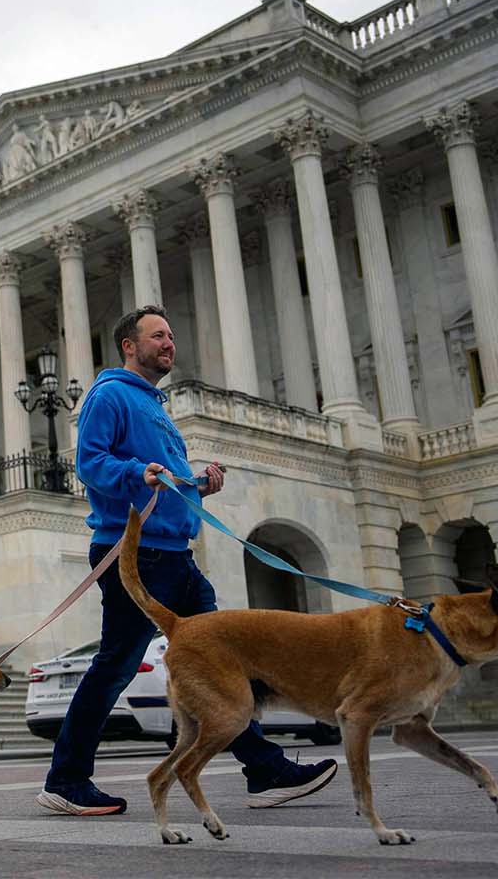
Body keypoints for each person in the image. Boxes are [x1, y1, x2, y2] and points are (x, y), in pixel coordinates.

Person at [36, 305, 337, 816]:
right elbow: (90, 464)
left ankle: (263, 769)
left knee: (221, 660)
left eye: (171, 335)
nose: (169, 343)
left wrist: (198, 485)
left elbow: (160, 478)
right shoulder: (109, 394)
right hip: (134, 552)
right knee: (116, 665)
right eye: (158, 336)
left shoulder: (156, 406)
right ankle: (65, 779)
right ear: (130, 346)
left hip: (174, 554)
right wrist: (139, 473)